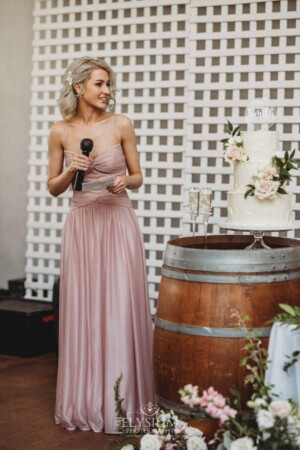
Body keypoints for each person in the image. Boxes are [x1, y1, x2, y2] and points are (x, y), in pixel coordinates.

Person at [48, 56, 156, 433]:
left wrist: (127, 182)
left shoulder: (121, 124)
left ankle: (122, 405)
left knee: (118, 306)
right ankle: (86, 399)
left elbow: (138, 174)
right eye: (99, 84)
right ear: (79, 87)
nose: (107, 91)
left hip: (116, 221)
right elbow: (53, 187)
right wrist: (70, 169)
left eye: (109, 84)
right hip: (82, 225)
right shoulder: (60, 131)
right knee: (84, 310)